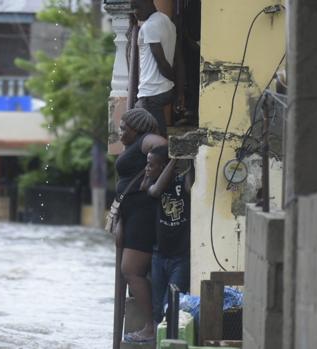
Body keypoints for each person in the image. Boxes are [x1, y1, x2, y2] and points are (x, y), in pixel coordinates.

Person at [115, 108, 167, 343]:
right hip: (132, 216)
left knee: (131, 271)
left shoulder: (145, 140)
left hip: (143, 216)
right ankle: (153, 323)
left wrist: (151, 179)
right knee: (133, 271)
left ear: (137, 130)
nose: (120, 131)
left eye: (124, 128)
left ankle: (152, 325)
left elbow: (164, 145)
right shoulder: (133, 147)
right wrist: (119, 222)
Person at [140, 145, 193, 325]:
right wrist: (174, 159)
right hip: (159, 256)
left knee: (170, 306)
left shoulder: (182, 182)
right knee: (157, 309)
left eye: (150, 165)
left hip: (181, 258)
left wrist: (184, 158)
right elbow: (154, 191)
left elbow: (190, 184)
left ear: (163, 166)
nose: (147, 168)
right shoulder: (152, 185)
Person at [131, 0, 185, 137]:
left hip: (151, 94)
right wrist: (178, 90)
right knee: (143, 132)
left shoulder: (149, 26)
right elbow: (178, 60)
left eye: (136, 7)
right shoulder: (168, 23)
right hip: (165, 91)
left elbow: (161, 62)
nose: (134, 13)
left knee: (156, 140)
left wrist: (173, 80)